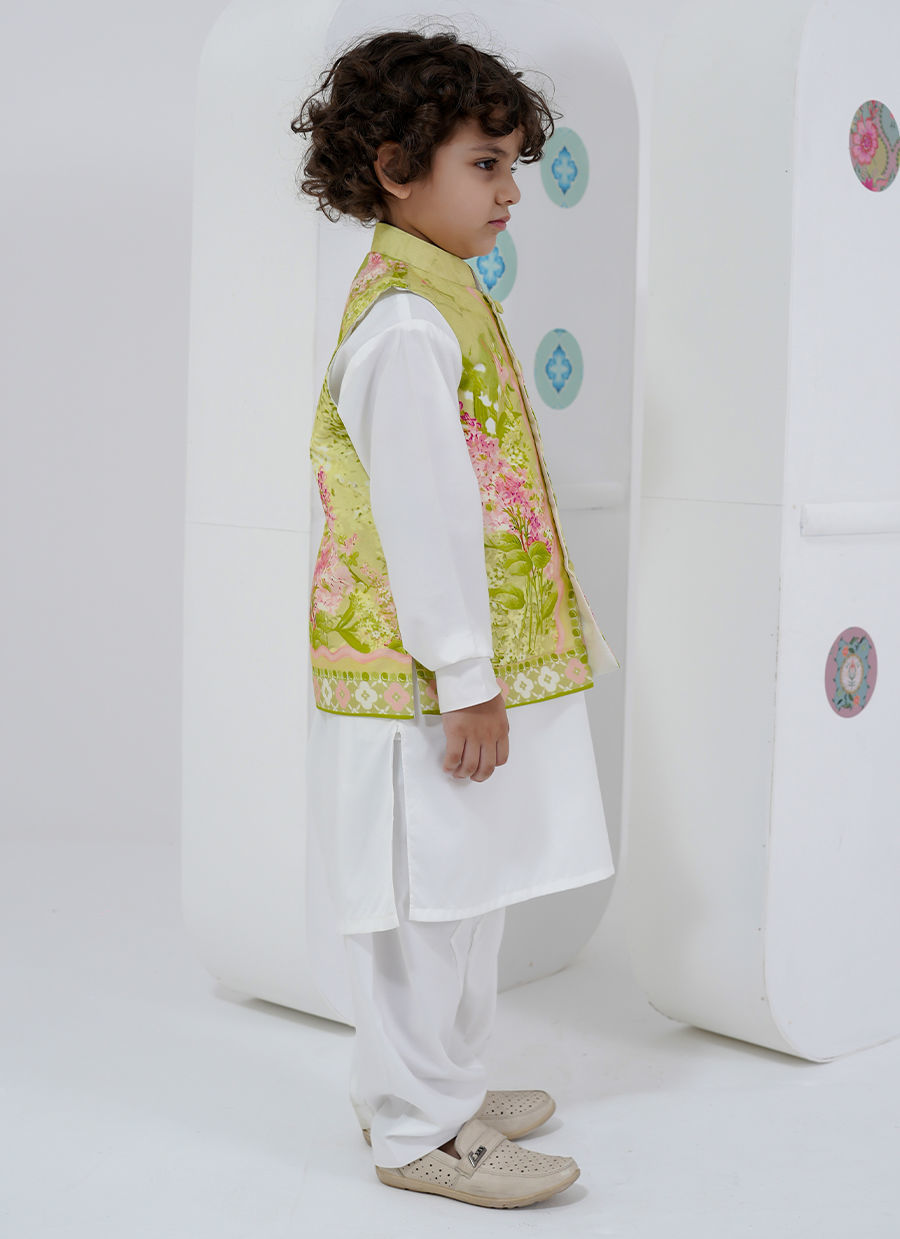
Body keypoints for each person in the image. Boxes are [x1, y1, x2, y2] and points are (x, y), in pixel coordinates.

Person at [290, 26, 620, 1209]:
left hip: (457, 676)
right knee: (423, 903)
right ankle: (416, 1127)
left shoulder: (446, 297)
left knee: (467, 889)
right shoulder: (404, 326)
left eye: (513, 164)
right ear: (395, 170)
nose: (511, 191)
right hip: (421, 682)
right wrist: (466, 673)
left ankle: (440, 1086)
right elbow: (425, 517)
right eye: (485, 164)